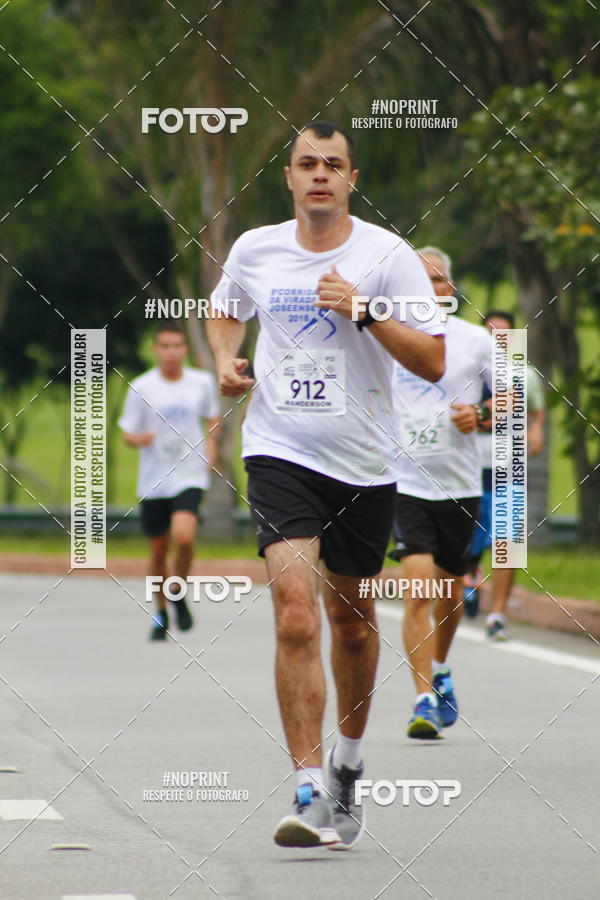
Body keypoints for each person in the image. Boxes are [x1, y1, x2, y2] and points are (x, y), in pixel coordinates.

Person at [207, 121, 445, 850]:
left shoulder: (388, 256)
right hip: (280, 451)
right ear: (288, 177)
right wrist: (226, 358)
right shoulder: (255, 249)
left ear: (351, 178)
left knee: (351, 621)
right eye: (306, 163)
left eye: (332, 165)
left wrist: (364, 311)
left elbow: (433, 360)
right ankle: (308, 787)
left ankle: (347, 762)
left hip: (365, 463)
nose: (319, 174)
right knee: (294, 614)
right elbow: (225, 309)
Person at [389, 246, 493, 739]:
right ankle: (424, 700)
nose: (428, 288)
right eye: (418, 279)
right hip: (402, 483)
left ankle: (441, 667)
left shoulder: (474, 340)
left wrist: (482, 414)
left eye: (436, 280)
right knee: (419, 590)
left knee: (449, 592)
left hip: (458, 485)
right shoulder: (385, 337)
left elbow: (513, 394)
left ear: (449, 289)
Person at [118, 322, 220, 640]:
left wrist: (211, 447)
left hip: (189, 473)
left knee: (184, 537)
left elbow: (212, 418)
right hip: (154, 479)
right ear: (155, 350)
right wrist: (140, 439)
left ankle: (177, 589)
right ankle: (161, 612)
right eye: (165, 346)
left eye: (177, 346)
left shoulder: (201, 382)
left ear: (185, 349)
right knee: (159, 550)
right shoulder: (141, 387)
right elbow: (127, 434)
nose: (171, 352)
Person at [466, 310, 546, 640]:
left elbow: (536, 411)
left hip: (509, 468)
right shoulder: (467, 373)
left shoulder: (523, 375)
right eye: (491, 332)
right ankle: (470, 581)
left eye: (504, 333)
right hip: (470, 471)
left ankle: (497, 614)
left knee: (507, 542)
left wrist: (536, 431)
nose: (497, 339)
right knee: (469, 545)